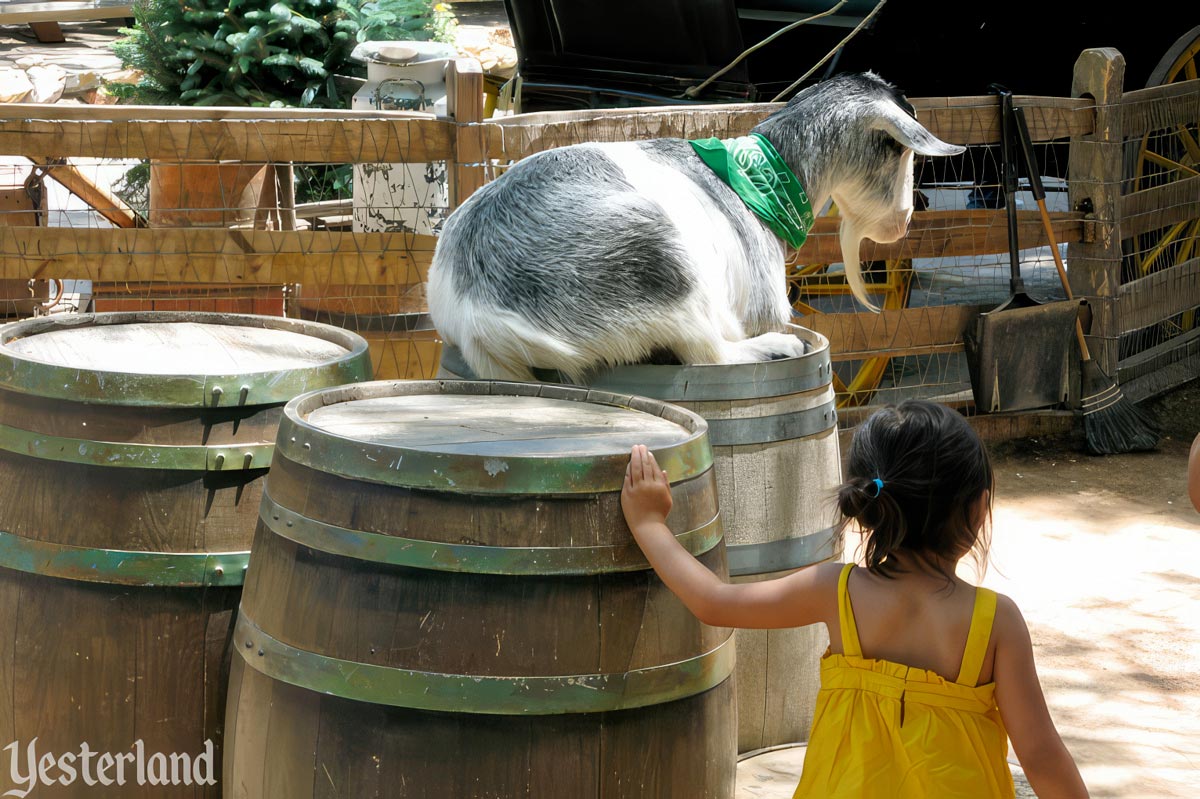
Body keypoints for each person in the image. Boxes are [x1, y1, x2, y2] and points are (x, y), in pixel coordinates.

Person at [621, 399, 1089, 799]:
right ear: (977, 508)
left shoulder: (836, 591)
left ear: (868, 505)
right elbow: (1041, 755)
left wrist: (648, 525)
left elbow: (714, 603)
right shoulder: (995, 621)